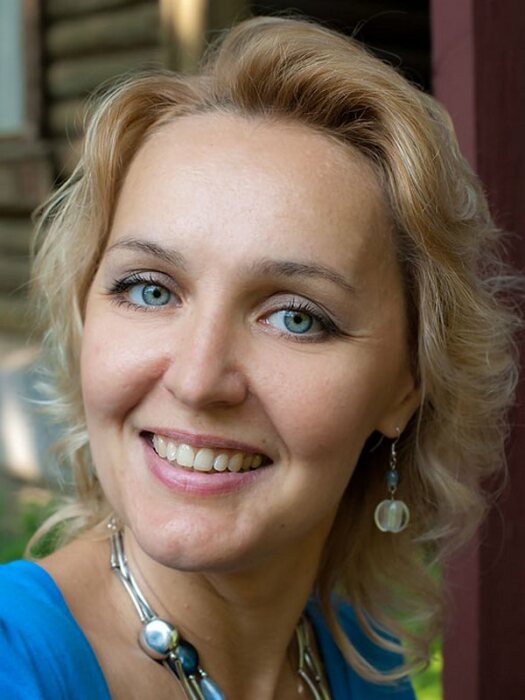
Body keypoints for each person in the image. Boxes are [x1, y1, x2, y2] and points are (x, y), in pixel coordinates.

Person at [0, 15, 520, 700]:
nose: (197, 380)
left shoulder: (364, 659)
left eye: (295, 317)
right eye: (150, 289)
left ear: (406, 383)